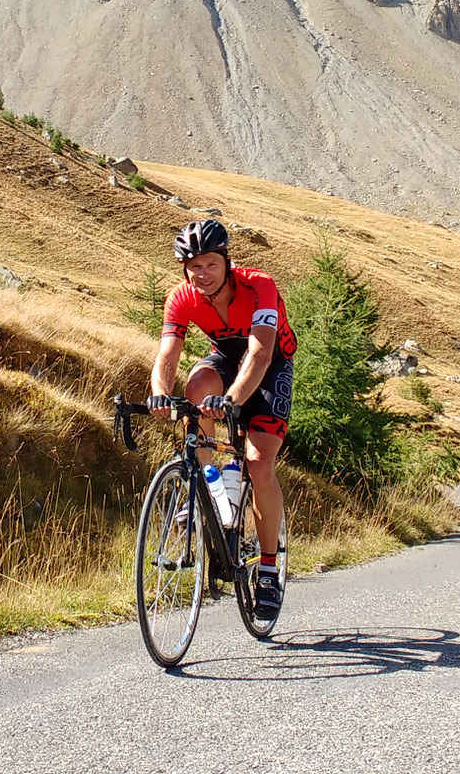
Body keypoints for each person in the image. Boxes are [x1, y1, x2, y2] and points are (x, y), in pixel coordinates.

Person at [146, 219, 296, 619]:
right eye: (193, 266)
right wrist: (161, 392)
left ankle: (267, 568)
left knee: (259, 463)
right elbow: (168, 355)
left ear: (226, 262)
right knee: (195, 389)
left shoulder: (259, 285)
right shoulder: (180, 298)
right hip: (226, 361)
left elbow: (262, 354)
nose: (202, 274)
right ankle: (210, 483)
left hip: (271, 367)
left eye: (210, 264)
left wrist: (231, 400)